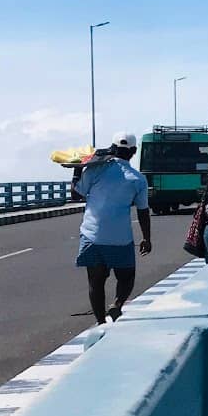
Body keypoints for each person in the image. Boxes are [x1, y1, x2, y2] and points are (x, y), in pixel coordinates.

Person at [74, 131, 152, 323]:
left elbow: (76, 195)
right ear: (134, 152)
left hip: (91, 235)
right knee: (126, 276)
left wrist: (77, 169)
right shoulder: (137, 179)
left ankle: (100, 322)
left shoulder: (95, 170)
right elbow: (143, 210)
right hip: (120, 238)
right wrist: (146, 238)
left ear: (112, 148)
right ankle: (116, 305)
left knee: (96, 282)